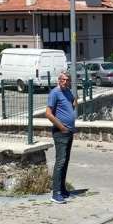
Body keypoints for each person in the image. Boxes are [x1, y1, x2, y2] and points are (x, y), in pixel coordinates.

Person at [45, 71, 77, 204]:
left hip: (69, 131)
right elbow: (48, 113)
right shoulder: (55, 93)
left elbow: (74, 102)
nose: (65, 82)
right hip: (60, 132)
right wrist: (62, 126)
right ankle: (56, 193)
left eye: (67, 80)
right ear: (58, 80)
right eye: (62, 79)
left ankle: (62, 189)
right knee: (60, 161)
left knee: (65, 161)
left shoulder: (68, 92)